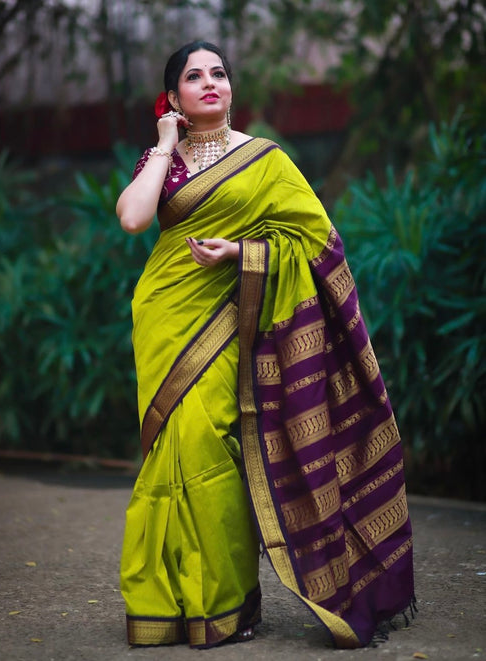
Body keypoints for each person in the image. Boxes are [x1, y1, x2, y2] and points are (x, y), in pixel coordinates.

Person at [117, 40, 415, 650]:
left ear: (231, 89)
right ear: (173, 98)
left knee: (209, 442)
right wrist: (165, 144)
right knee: (170, 450)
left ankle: (224, 605)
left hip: (232, 318)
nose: (209, 83)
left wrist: (242, 254)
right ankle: (166, 604)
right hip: (166, 319)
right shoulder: (164, 160)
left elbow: (315, 240)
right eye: (193, 77)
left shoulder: (266, 162)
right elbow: (132, 218)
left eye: (219, 74)